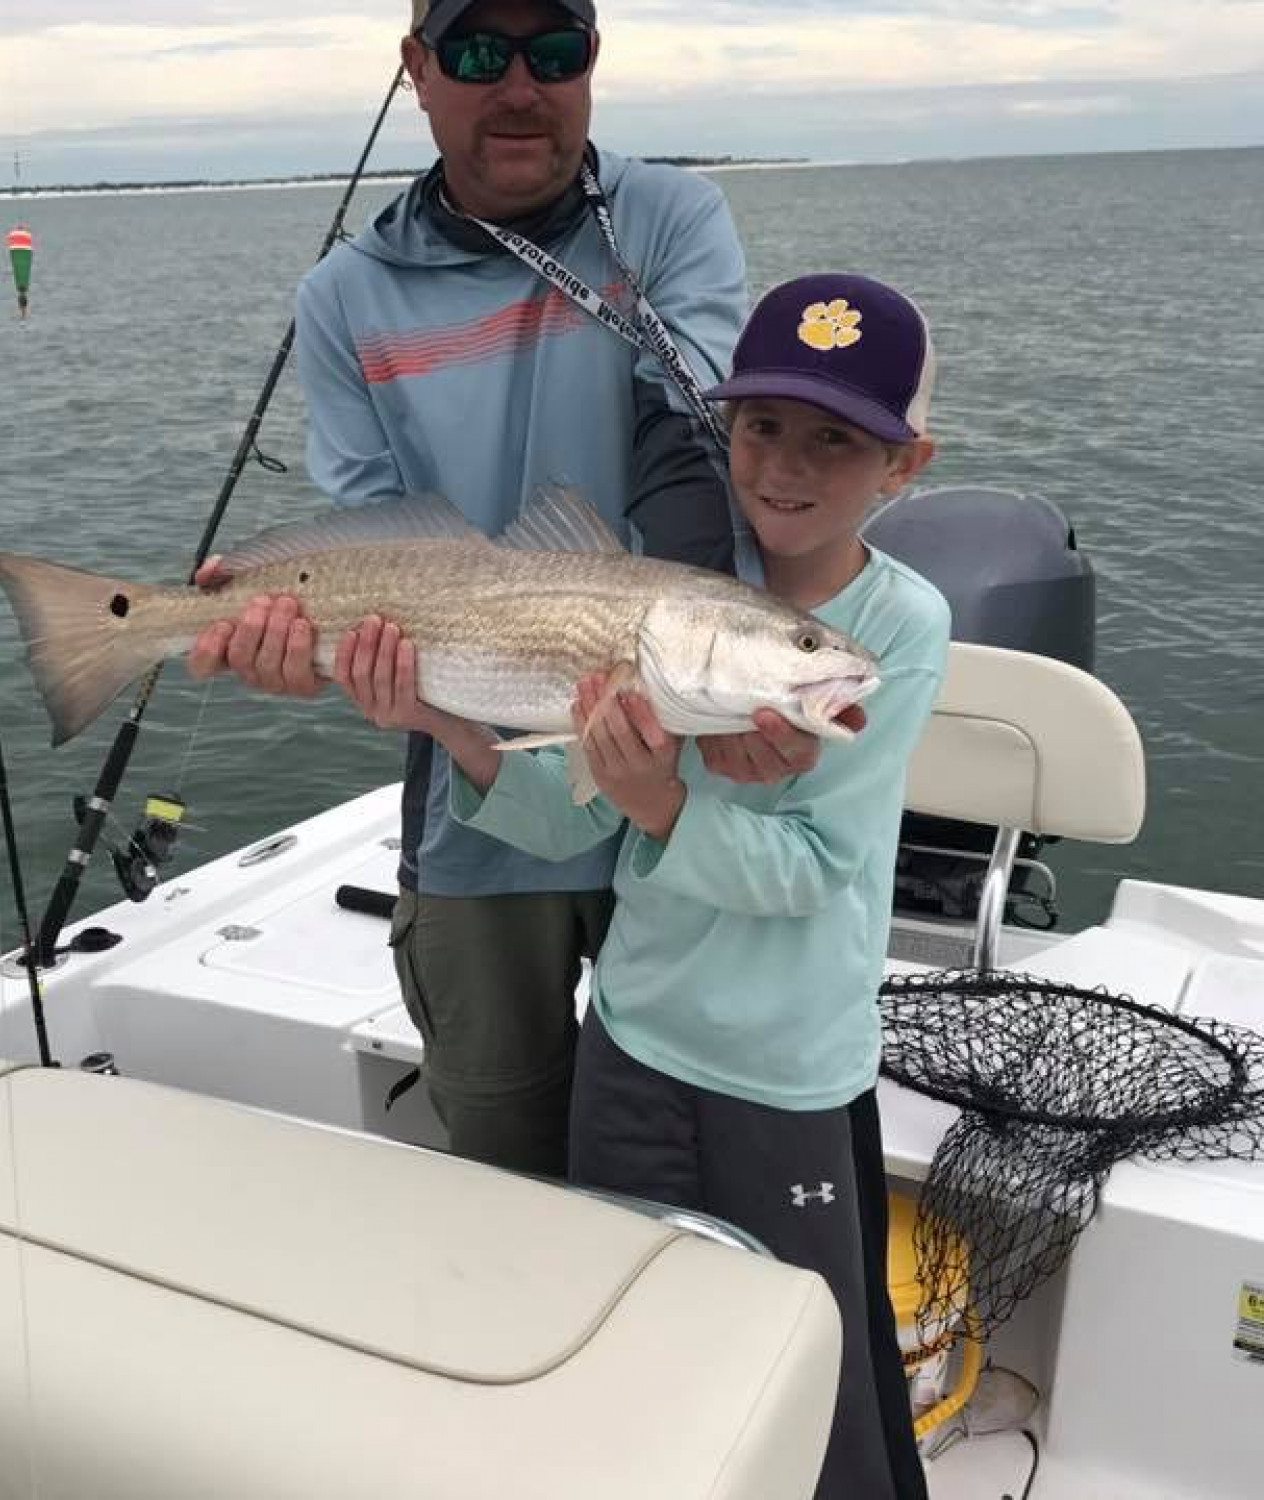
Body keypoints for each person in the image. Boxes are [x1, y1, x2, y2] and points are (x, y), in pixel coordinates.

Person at [189, 0, 837, 1178]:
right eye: (481, 53)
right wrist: (310, 638)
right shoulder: (346, 294)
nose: (521, 87)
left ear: (595, 63)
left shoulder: (668, 216)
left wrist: (718, 690)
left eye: (556, 50)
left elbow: (688, 432)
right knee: (503, 1151)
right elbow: (367, 527)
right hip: (478, 792)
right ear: (418, 70)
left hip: (682, 794)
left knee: (696, 1150)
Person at [361, 272, 947, 1499]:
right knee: (632, 1332)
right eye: (760, 427)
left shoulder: (887, 633)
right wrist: (454, 727)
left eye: (834, 440)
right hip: (631, 1035)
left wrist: (663, 801)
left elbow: (814, 872)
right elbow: (574, 805)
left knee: (809, 1359)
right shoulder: (669, 595)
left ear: (903, 465)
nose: (785, 466)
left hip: (782, 1069)